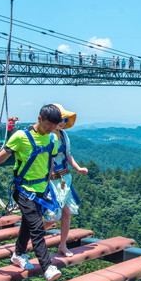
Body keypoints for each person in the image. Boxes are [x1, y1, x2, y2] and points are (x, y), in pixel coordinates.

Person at [0, 104, 64, 281]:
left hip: (41, 189)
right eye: (47, 125)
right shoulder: (21, 136)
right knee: (37, 228)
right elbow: (2, 155)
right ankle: (47, 267)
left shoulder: (52, 139)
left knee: (29, 224)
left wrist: (51, 181)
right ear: (39, 119)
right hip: (23, 190)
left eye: (54, 126)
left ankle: (18, 254)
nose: (50, 129)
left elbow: (49, 162)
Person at [43, 104, 88, 258]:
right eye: (61, 119)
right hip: (49, 179)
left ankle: (63, 245)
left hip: (63, 177)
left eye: (65, 119)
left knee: (67, 212)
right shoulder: (46, 136)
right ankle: (31, 235)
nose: (62, 122)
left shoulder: (64, 136)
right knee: (53, 216)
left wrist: (78, 168)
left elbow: (68, 155)